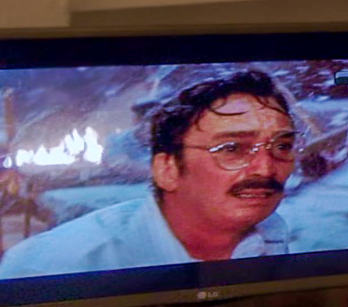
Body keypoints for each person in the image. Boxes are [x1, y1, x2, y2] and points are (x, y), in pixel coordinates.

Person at [0, 70, 297, 278]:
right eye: (232, 149)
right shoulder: (51, 266)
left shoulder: (272, 234)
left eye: (282, 146)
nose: (266, 168)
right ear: (167, 170)